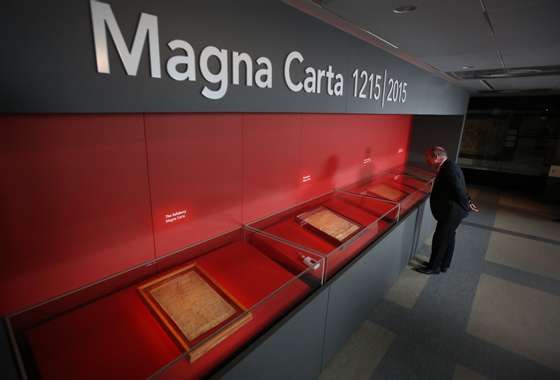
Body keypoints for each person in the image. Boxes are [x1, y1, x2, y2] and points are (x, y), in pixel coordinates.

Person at [416, 146, 479, 275]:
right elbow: (461, 187)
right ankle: (444, 264)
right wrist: (469, 202)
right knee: (449, 237)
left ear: (435, 157)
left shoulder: (448, 169)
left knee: (440, 239)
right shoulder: (450, 166)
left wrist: (467, 205)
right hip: (452, 211)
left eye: (428, 157)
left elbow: (459, 190)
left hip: (452, 212)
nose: (426, 160)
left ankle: (434, 267)